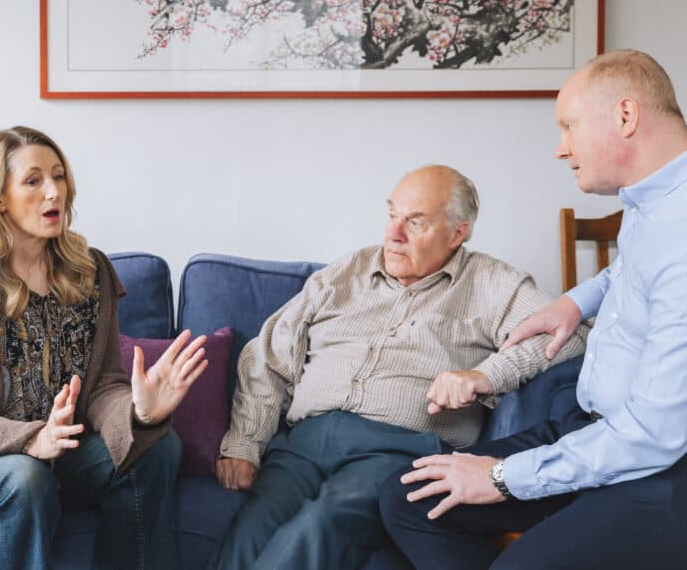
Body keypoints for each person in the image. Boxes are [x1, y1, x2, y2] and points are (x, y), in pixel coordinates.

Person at [380, 49, 687, 569]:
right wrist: (574, 301)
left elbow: (653, 440)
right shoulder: (651, 199)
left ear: (626, 116)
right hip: (591, 430)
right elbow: (628, 272)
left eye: (569, 126)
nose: (560, 149)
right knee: (410, 495)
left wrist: (499, 479)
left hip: (657, 469)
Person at [208, 165, 587, 570]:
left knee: (319, 526)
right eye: (392, 214)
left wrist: (487, 375)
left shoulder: (491, 283)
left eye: (415, 222)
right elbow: (271, 353)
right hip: (303, 444)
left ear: (458, 233)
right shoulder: (346, 272)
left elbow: (571, 334)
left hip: (396, 450)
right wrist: (245, 444)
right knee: (251, 529)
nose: (393, 234)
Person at [0, 126, 209, 569]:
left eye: (59, 176)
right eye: (33, 181)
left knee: (156, 445)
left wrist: (139, 412)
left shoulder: (89, 272)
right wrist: (34, 438)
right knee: (23, 476)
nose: (53, 191)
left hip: (56, 461)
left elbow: (102, 389)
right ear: (0, 197)